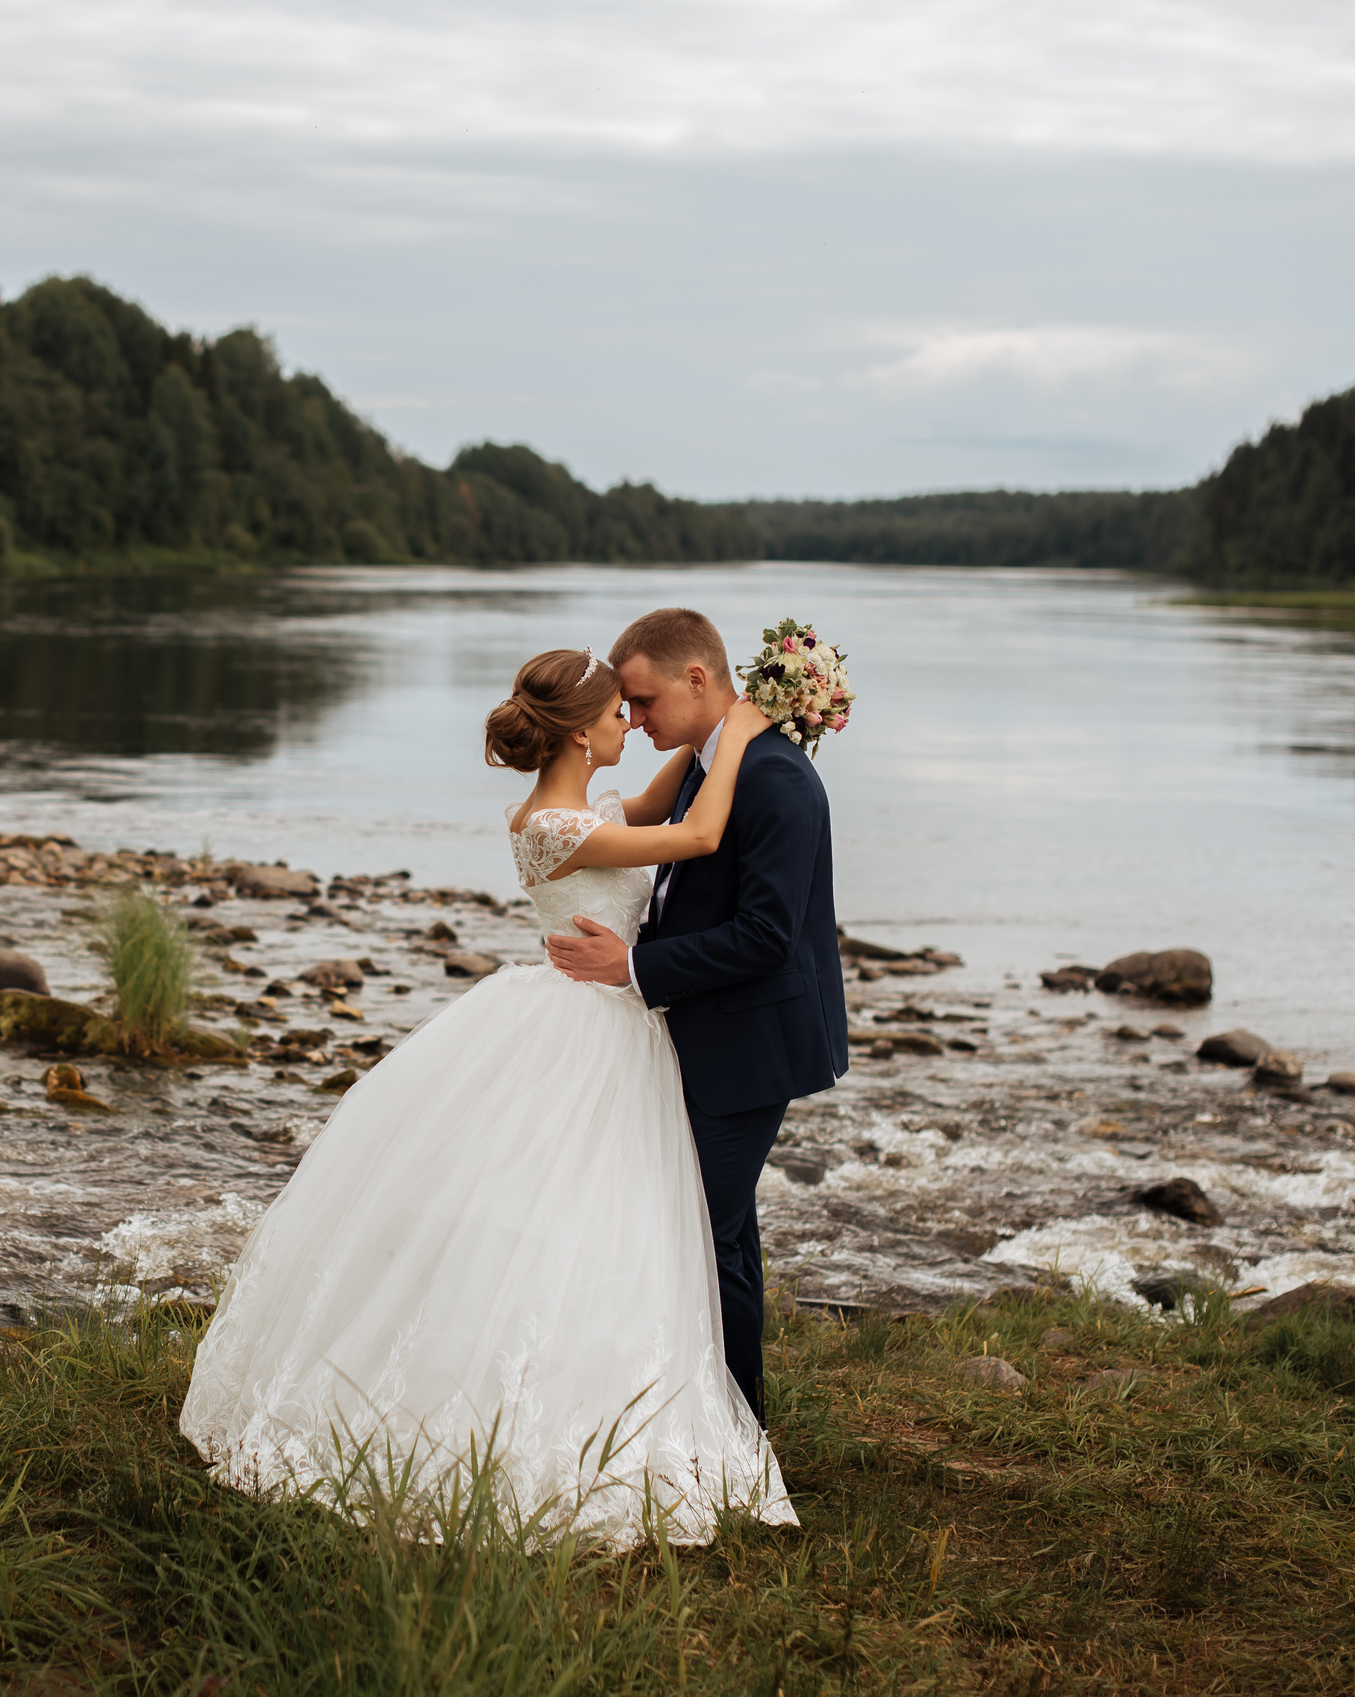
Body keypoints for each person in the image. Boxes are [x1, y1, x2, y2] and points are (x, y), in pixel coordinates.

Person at [177, 644, 798, 1548]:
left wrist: (720, 727)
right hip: (584, 1032)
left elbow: (672, 795)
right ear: (584, 733)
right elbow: (698, 834)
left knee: (602, 1216)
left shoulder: (578, 808)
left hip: (602, 1025)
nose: (631, 720)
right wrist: (742, 729)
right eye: (619, 712)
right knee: (572, 1210)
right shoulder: (558, 826)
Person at [547, 609, 850, 1424]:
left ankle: (731, 1431)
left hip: (754, 1040)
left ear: (695, 680)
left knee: (702, 1238)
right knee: (722, 1235)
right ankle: (731, 1418)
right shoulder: (705, 765)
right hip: (704, 1028)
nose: (634, 719)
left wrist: (634, 966)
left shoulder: (776, 779)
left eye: (642, 701)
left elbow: (768, 934)